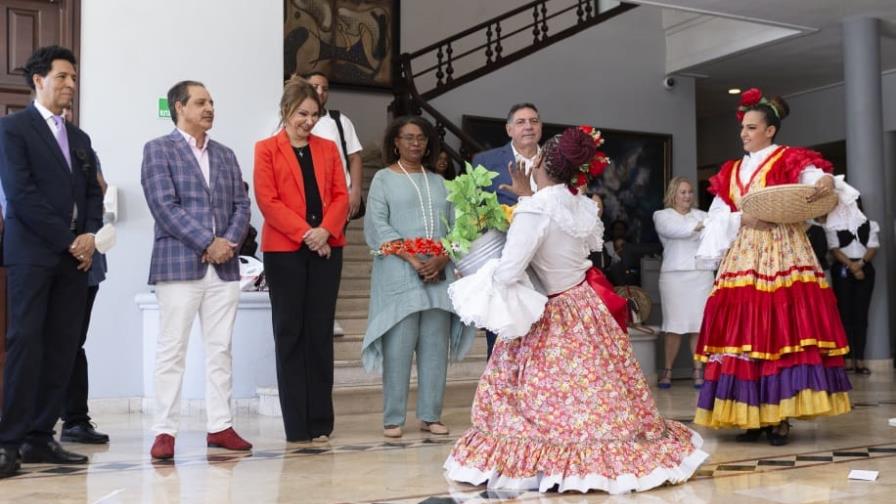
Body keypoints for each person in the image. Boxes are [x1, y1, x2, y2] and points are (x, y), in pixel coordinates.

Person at [444, 127, 706, 494]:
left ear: (538, 161)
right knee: (597, 389)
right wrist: (525, 198)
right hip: (584, 305)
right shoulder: (580, 203)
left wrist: (476, 271)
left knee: (537, 395)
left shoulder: (535, 209)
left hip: (551, 311)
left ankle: (552, 458)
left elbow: (508, 271)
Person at [695, 88, 858, 446]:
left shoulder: (788, 158)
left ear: (770, 130)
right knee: (744, 332)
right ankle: (751, 414)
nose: (744, 133)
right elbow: (718, 215)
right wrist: (743, 219)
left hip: (783, 252)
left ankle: (780, 416)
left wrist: (826, 181)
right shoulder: (731, 170)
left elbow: (816, 181)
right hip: (743, 253)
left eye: (751, 127)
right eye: (743, 128)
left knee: (782, 331)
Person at [0, 46, 103, 477]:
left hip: (73, 262)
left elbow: (94, 193)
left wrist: (89, 238)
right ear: (38, 80)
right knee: (27, 344)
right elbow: (21, 195)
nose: (70, 86)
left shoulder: (79, 139)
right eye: (63, 77)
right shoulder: (13, 130)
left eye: (74, 78)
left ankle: (42, 436)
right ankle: (9, 441)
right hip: (33, 256)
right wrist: (68, 241)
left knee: (63, 347)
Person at [141, 80, 252, 460]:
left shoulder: (225, 154)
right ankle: (164, 432)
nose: (209, 108)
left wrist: (228, 244)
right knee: (172, 349)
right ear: (179, 107)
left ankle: (220, 426)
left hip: (223, 269)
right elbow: (164, 206)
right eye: (201, 102)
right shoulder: (158, 150)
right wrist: (209, 242)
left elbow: (242, 204)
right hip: (179, 264)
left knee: (220, 349)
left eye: (212, 102)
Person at [362, 116, 475, 439]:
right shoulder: (383, 179)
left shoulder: (442, 183)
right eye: (408, 137)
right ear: (395, 142)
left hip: (439, 275)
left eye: (421, 138)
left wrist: (441, 258)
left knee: (435, 347)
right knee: (398, 347)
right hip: (400, 272)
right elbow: (378, 225)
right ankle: (393, 418)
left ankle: (430, 415)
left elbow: (460, 229)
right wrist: (412, 259)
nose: (415, 143)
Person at [254, 77, 348, 443]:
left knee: (320, 334)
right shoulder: (266, 149)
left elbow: (341, 195)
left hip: (328, 248)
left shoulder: (327, 149)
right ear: (286, 111)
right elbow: (268, 201)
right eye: (301, 113)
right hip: (285, 252)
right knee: (290, 334)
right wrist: (308, 234)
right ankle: (297, 424)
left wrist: (324, 231)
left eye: (314, 114)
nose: (308, 121)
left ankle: (321, 421)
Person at [472, 103, 543, 358]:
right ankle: (499, 394)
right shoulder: (486, 161)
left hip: (547, 266)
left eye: (534, 121)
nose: (528, 126)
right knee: (502, 340)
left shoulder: (555, 161)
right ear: (509, 128)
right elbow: (473, 212)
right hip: (504, 261)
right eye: (522, 122)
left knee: (543, 340)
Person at [304, 72, 363, 338]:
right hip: (305, 201)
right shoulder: (292, 121)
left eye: (325, 88)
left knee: (330, 260)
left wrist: (356, 191)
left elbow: (355, 157)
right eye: (314, 86)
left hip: (338, 202)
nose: (320, 91)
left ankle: (329, 313)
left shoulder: (339, 121)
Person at [60, 156, 110, 444]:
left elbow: (99, 200)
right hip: (41, 260)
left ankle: (76, 420)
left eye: (68, 108)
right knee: (32, 341)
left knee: (74, 342)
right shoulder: (19, 139)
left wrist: (87, 240)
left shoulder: (84, 150)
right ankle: (29, 421)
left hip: (86, 264)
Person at [652, 177, 712, 389]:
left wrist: (707, 223)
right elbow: (675, 231)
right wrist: (704, 225)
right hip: (674, 276)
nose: (687, 196)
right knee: (674, 326)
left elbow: (714, 237)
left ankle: (698, 371)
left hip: (701, 275)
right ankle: (667, 371)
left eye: (690, 192)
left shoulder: (702, 215)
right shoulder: (662, 216)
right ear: (673, 194)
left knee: (698, 326)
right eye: (683, 192)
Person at [827, 199, 879, 375]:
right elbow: (834, 250)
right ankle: (847, 358)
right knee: (845, 314)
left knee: (861, 315)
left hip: (864, 268)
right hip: (843, 269)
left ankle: (860, 359)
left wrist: (861, 264)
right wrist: (852, 266)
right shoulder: (833, 226)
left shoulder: (870, 224)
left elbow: (873, 247)